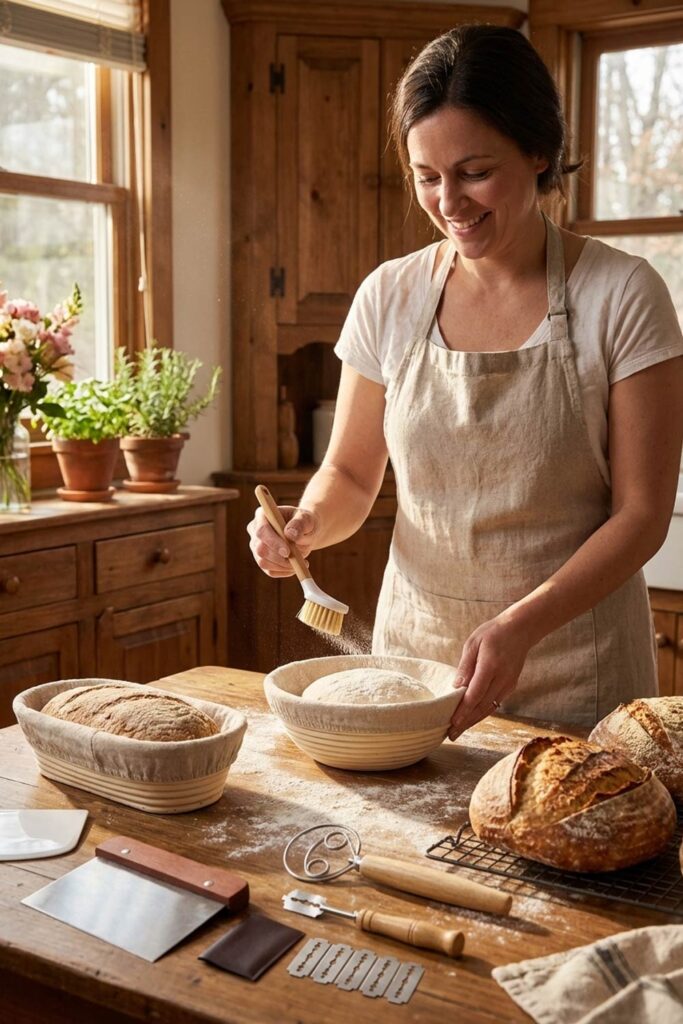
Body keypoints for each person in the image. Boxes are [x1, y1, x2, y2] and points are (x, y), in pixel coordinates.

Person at [248, 25, 683, 736]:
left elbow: (639, 517)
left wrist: (517, 626)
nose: (448, 200)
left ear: (538, 152)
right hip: (417, 671)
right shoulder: (389, 296)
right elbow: (352, 476)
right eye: (426, 177)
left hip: (577, 673)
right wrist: (304, 524)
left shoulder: (622, 294)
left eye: (474, 170)